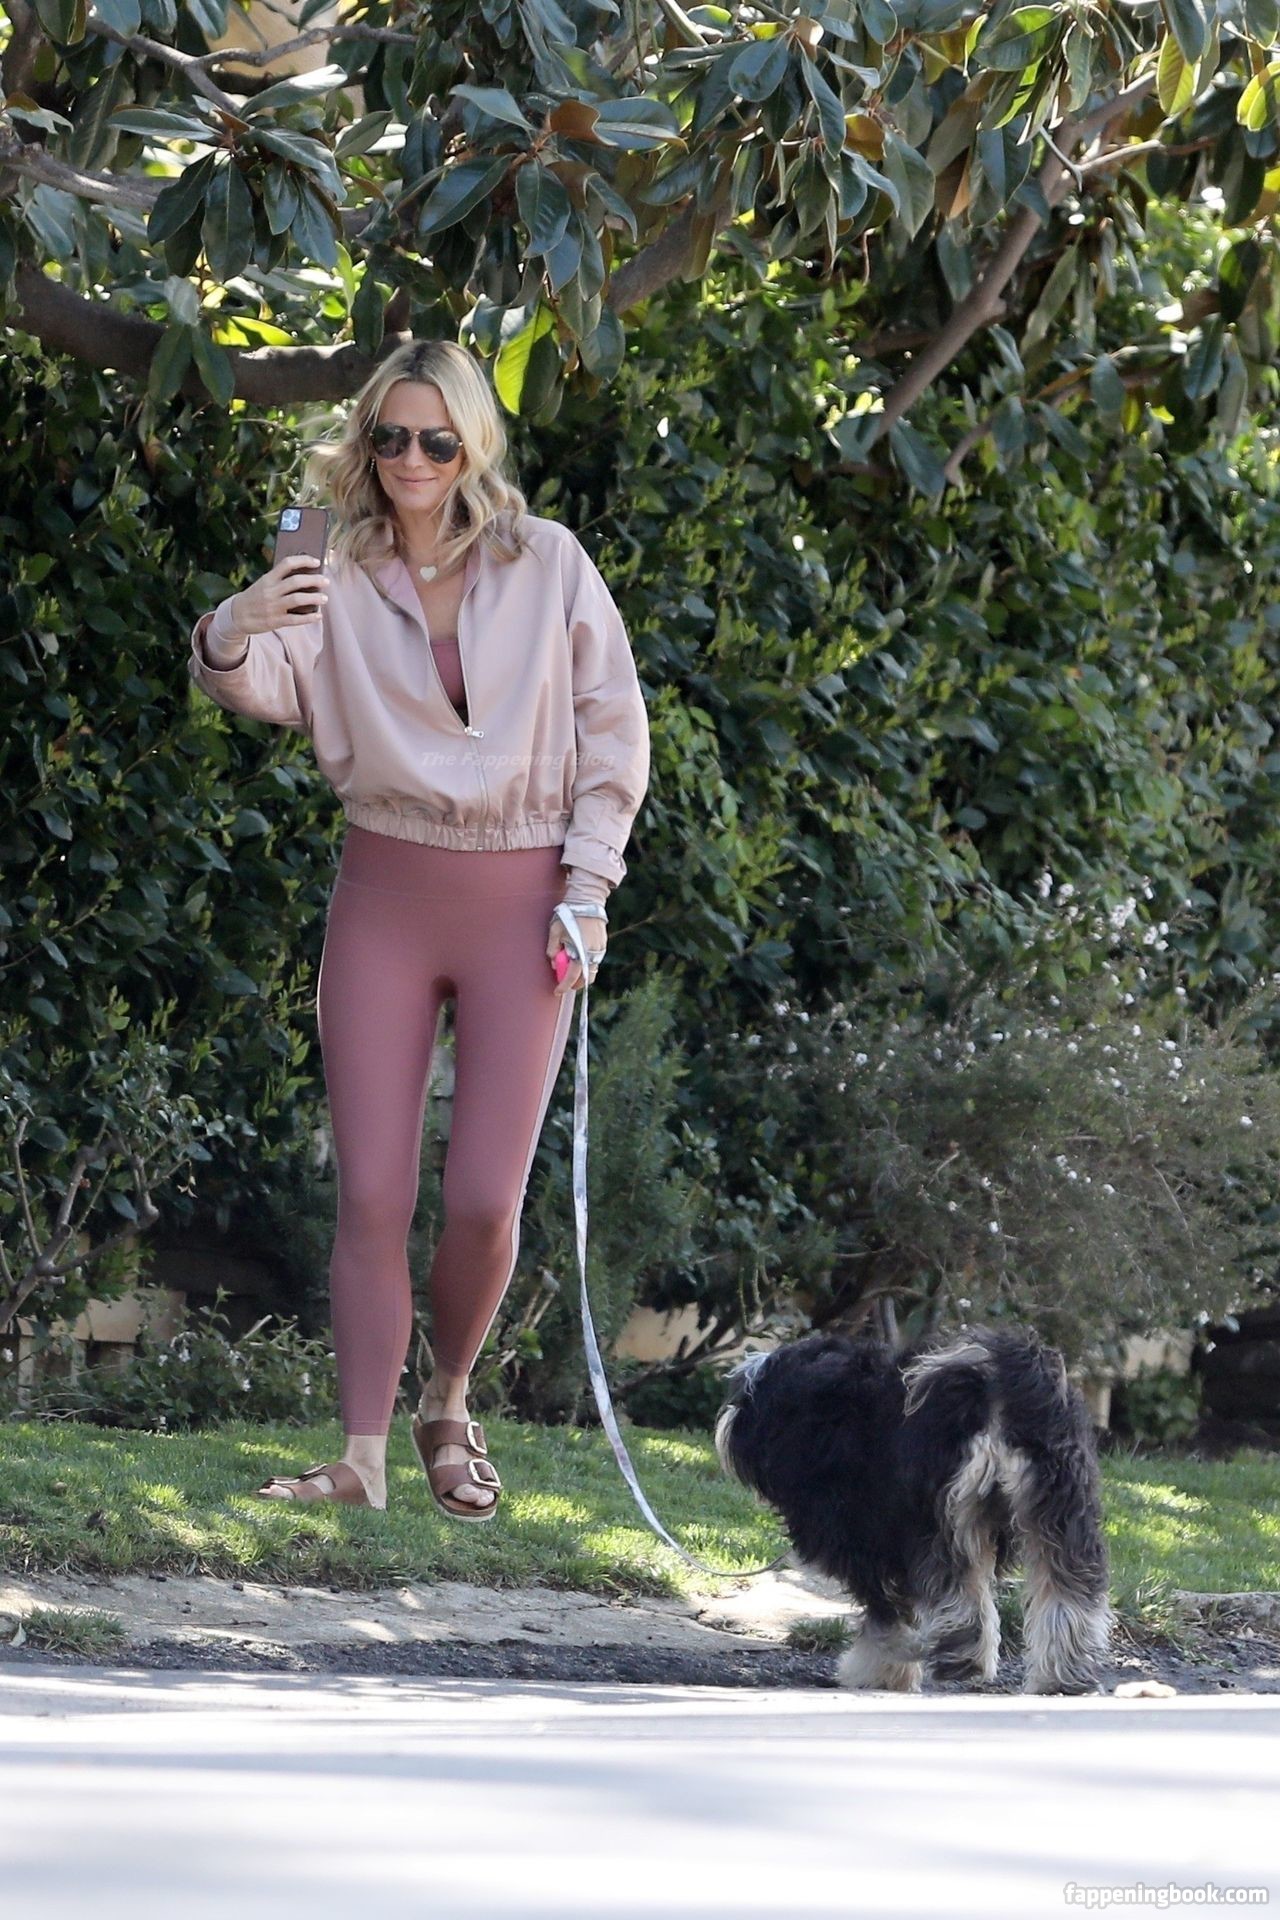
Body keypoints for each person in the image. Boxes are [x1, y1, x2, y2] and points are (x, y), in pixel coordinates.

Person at [188, 339, 650, 1518]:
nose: (410, 460)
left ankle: (448, 1402)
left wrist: (588, 886)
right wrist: (233, 623)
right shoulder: (331, 566)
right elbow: (265, 682)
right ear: (365, 441)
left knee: (486, 1198)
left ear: (472, 444)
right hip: (384, 896)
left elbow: (613, 731)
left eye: (435, 439)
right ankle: (361, 1458)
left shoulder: (547, 563)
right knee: (372, 1193)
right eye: (389, 436)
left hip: (524, 904)